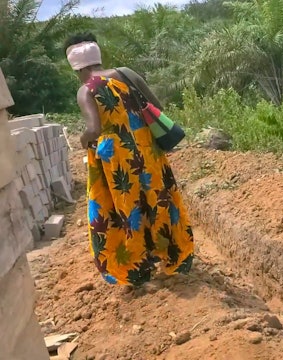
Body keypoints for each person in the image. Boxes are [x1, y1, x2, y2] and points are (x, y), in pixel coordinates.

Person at [64, 33, 194, 286]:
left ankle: (136, 268)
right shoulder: (126, 73)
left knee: (126, 208)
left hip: (118, 160)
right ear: (98, 58)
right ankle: (173, 255)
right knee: (158, 198)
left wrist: (83, 142)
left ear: (77, 68)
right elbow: (156, 105)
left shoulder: (86, 90)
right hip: (147, 149)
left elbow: (92, 129)